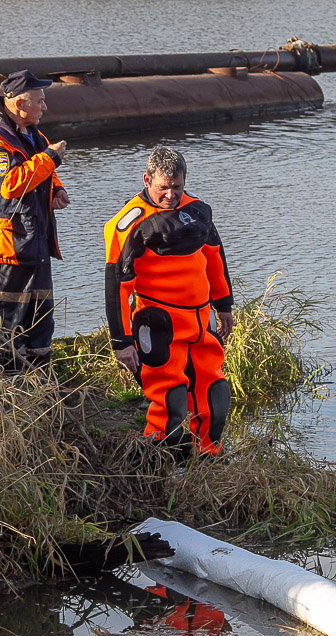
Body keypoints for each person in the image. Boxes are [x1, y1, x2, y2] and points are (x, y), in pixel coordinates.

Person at [103, 146, 233, 455]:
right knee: (169, 396)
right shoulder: (128, 224)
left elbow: (215, 256)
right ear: (147, 180)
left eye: (177, 187)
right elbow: (116, 286)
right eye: (163, 188)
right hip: (158, 321)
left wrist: (224, 304)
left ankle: (208, 454)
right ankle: (161, 456)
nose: (171, 195)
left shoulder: (198, 211)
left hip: (202, 318)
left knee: (215, 392)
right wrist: (121, 342)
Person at [0, 69, 69, 373]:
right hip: (9, 243)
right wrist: (51, 158)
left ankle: (40, 375)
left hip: (35, 238)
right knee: (9, 314)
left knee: (41, 312)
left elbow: (41, 173)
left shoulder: (32, 134)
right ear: (17, 103)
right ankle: (8, 380)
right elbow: (11, 183)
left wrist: (57, 189)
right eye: (39, 102)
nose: (44, 107)